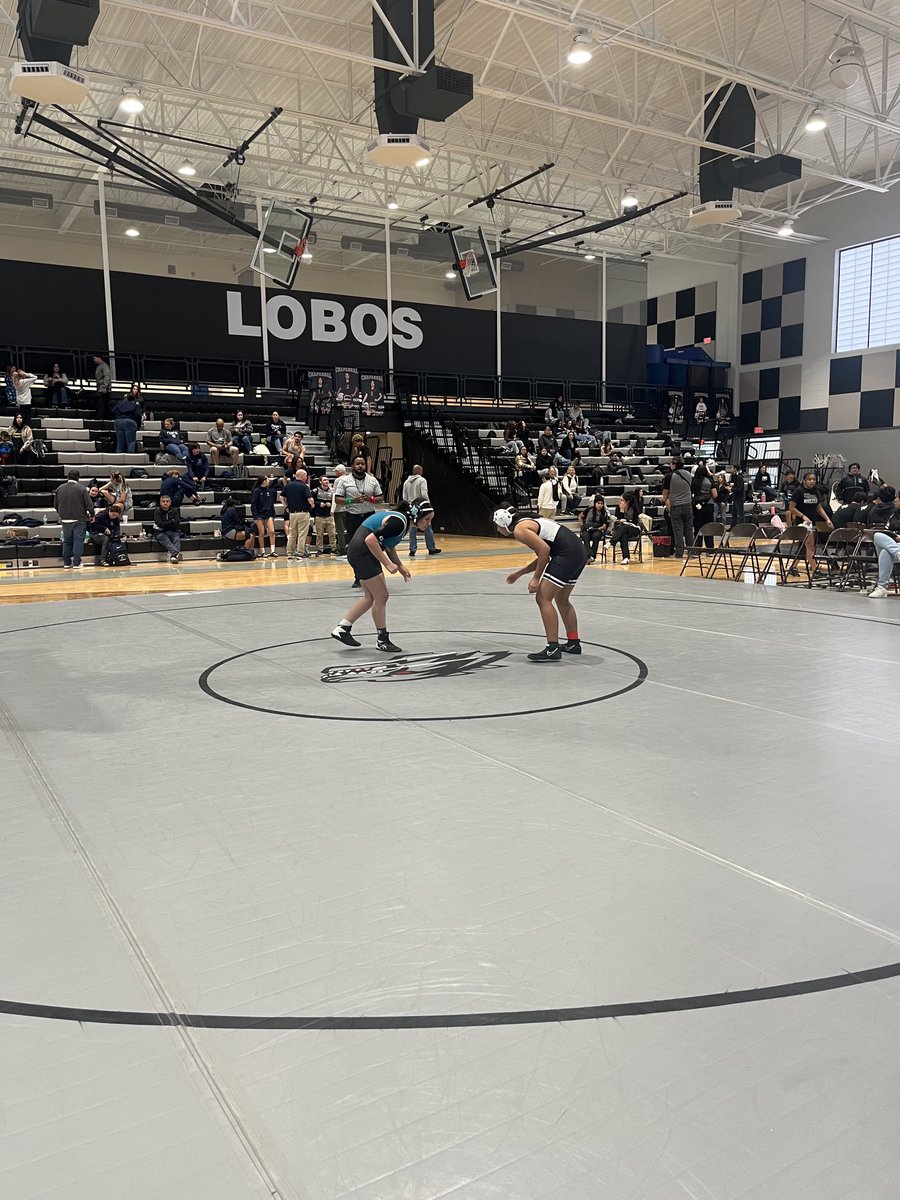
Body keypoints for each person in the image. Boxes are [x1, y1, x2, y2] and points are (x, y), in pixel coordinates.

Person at [331, 501, 434, 653]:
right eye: (427, 519)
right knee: (382, 596)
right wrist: (387, 564)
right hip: (362, 553)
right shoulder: (399, 522)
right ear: (416, 516)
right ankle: (382, 640)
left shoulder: (402, 522)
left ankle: (342, 628)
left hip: (360, 552)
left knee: (370, 597)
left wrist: (400, 566)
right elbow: (370, 540)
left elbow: (389, 545)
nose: (429, 523)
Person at [492, 507, 588, 661]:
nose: (497, 530)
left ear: (504, 524)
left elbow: (544, 551)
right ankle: (573, 643)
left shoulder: (519, 529)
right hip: (579, 552)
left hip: (566, 555)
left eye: (497, 526)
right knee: (562, 600)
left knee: (543, 598)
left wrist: (536, 578)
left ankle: (552, 648)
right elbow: (545, 555)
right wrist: (520, 573)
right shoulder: (528, 522)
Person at [333, 454, 383, 587]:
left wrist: (370, 499)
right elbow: (337, 499)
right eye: (357, 464)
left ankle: (376, 575)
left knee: (373, 547)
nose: (360, 466)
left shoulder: (372, 480)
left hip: (369, 517)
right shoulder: (344, 481)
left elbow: (380, 498)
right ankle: (358, 577)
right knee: (355, 549)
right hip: (352, 517)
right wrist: (352, 500)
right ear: (352, 466)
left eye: (362, 464)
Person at [788, 470, 834, 569]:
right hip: (802, 522)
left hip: (812, 522)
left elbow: (818, 507)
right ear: (804, 480)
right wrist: (802, 516)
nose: (812, 481)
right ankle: (814, 569)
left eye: (814, 479)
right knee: (810, 546)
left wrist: (827, 519)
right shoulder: (799, 491)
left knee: (803, 546)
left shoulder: (815, 491)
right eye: (809, 479)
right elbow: (791, 508)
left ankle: (793, 567)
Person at [54, 469, 94, 569]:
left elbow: (55, 505)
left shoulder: (59, 488)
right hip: (78, 518)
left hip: (64, 519)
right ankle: (76, 563)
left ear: (68, 477)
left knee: (67, 541)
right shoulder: (81, 489)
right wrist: (92, 515)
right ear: (77, 478)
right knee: (78, 541)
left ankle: (66, 563)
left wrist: (61, 514)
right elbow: (89, 505)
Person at [402, 465, 441, 557]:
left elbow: (404, 497)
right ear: (420, 471)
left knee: (412, 528)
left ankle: (412, 549)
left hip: (411, 507)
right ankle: (431, 548)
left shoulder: (406, 482)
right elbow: (424, 493)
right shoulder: (422, 480)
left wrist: (409, 506)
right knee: (427, 527)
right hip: (422, 507)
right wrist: (428, 505)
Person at [868, 490, 900, 597]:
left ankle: (882, 587)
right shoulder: (894, 514)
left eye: (897, 498)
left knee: (885, 552)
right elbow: (888, 529)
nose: (895, 500)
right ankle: (897, 553)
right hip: (893, 543)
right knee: (877, 535)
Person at [662, 456, 694, 558]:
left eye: (671, 463)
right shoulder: (688, 474)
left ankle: (679, 552)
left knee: (678, 529)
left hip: (676, 505)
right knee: (689, 529)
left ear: (674, 464)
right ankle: (691, 551)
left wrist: (667, 503)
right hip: (688, 505)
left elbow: (665, 494)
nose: (670, 465)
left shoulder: (669, 476)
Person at [282, 467, 314, 559]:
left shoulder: (288, 485)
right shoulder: (304, 486)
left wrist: (286, 506)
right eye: (306, 476)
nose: (306, 477)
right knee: (302, 533)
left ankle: (289, 552)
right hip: (303, 513)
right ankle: (300, 552)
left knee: (292, 533)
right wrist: (312, 505)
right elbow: (310, 499)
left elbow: (281, 497)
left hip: (292, 513)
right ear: (302, 476)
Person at [609, 493, 642, 564]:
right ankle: (626, 557)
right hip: (622, 530)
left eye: (622, 500)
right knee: (624, 536)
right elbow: (617, 521)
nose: (620, 502)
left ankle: (612, 541)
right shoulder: (618, 508)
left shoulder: (634, 509)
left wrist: (626, 521)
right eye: (620, 500)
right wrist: (621, 511)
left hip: (633, 529)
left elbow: (635, 522)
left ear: (627, 502)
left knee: (625, 527)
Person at [251, 474, 278, 557]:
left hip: (268, 514)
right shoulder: (256, 491)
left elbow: (271, 503)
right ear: (264, 481)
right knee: (261, 532)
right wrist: (255, 516)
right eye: (267, 479)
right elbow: (253, 504)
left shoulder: (269, 491)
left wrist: (273, 514)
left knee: (272, 531)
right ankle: (262, 551)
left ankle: (273, 551)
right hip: (259, 515)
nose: (269, 481)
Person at [111, 384, 143, 454]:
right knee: (131, 442)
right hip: (129, 422)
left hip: (118, 421)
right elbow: (138, 415)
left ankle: (118, 458)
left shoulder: (120, 403)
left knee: (120, 442)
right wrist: (138, 426)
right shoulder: (135, 405)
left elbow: (113, 411)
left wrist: (117, 418)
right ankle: (130, 458)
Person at [692, 463, 717, 546]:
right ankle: (709, 548)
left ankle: (697, 547)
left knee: (697, 527)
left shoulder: (693, 481)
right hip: (708, 505)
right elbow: (715, 495)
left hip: (697, 505)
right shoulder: (710, 481)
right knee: (708, 527)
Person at [580, 495, 611, 561]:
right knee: (585, 536)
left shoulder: (604, 513)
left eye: (601, 503)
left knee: (596, 536)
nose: (600, 505)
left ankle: (592, 556)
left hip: (597, 529)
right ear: (595, 503)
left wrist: (596, 529)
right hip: (587, 528)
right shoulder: (589, 509)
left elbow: (604, 526)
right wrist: (582, 525)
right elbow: (580, 516)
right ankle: (590, 555)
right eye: (598, 503)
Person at [312, 474, 336, 555]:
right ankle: (320, 549)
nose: (327, 481)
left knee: (332, 534)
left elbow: (335, 501)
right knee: (319, 534)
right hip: (319, 516)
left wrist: (330, 504)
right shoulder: (315, 491)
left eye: (327, 480)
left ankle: (334, 548)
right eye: (324, 480)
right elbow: (311, 500)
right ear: (320, 481)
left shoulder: (332, 491)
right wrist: (318, 504)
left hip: (330, 515)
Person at [153, 494, 182, 563]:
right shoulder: (157, 512)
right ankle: (176, 554)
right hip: (160, 532)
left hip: (172, 531)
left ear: (170, 503)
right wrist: (171, 521)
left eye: (167, 501)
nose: (165, 503)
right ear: (160, 503)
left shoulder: (174, 511)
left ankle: (173, 557)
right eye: (163, 501)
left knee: (176, 538)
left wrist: (165, 524)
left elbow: (177, 523)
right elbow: (159, 524)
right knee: (166, 540)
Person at [331, 464, 348, 558]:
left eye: (336, 471)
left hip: (339, 509)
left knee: (340, 530)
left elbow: (335, 495)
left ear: (339, 471)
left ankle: (342, 549)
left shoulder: (338, 480)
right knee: (349, 529)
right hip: (349, 508)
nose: (336, 473)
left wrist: (332, 509)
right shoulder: (350, 479)